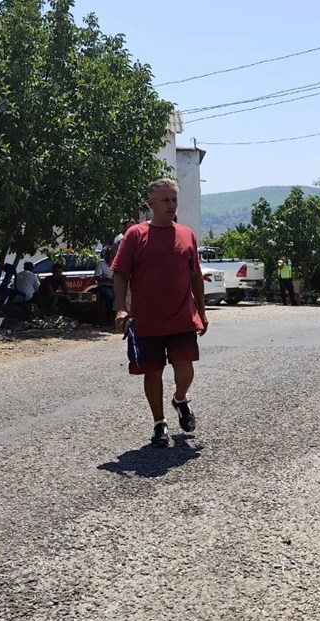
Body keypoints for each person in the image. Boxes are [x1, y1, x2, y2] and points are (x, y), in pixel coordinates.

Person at [112, 178, 208, 448]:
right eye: (165, 200)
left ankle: (180, 399)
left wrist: (202, 311)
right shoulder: (135, 235)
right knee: (152, 372)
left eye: (174, 199)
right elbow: (120, 273)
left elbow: (195, 277)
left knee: (185, 368)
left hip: (182, 317)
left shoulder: (186, 234)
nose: (171, 204)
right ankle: (159, 423)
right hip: (146, 321)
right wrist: (120, 307)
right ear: (150, 204)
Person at [95, 245, 115, 323]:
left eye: (111, 254)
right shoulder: (101, 263)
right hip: (104, 285)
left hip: (114, 285)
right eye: (108, 254)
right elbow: (96, 277)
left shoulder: (116, 263)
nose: (110, 256)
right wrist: (107, 279)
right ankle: (108, 317)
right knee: (110, 296)